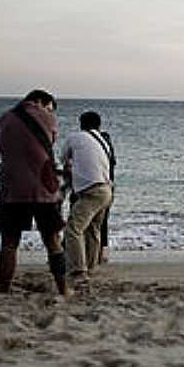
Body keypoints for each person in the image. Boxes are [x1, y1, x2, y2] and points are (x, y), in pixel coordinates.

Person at [0, 89, 69, 296]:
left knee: (9, 243)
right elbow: (50, 143)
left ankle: (4, 290)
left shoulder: (4, 118)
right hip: (43, 189)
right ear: (40, 101)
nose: (49, 111)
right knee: (53, 240)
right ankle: (63, 289)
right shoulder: (48, 117)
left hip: (11, 189)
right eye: (49, 107)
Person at [61, 111, 112, 282]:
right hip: (106, 190)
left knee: (73, 229)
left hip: (91, 191)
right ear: (99, 125)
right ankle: (91, 267)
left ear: (81, 124)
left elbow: (64, 159)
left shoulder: (75, 137)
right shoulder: (103, 141)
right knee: (93, 230)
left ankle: (78, 271)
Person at [98, 129, 116, 263]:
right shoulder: (110, 155)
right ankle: (102, 253)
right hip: (108, 189)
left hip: (97, 187)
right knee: (103, 222)